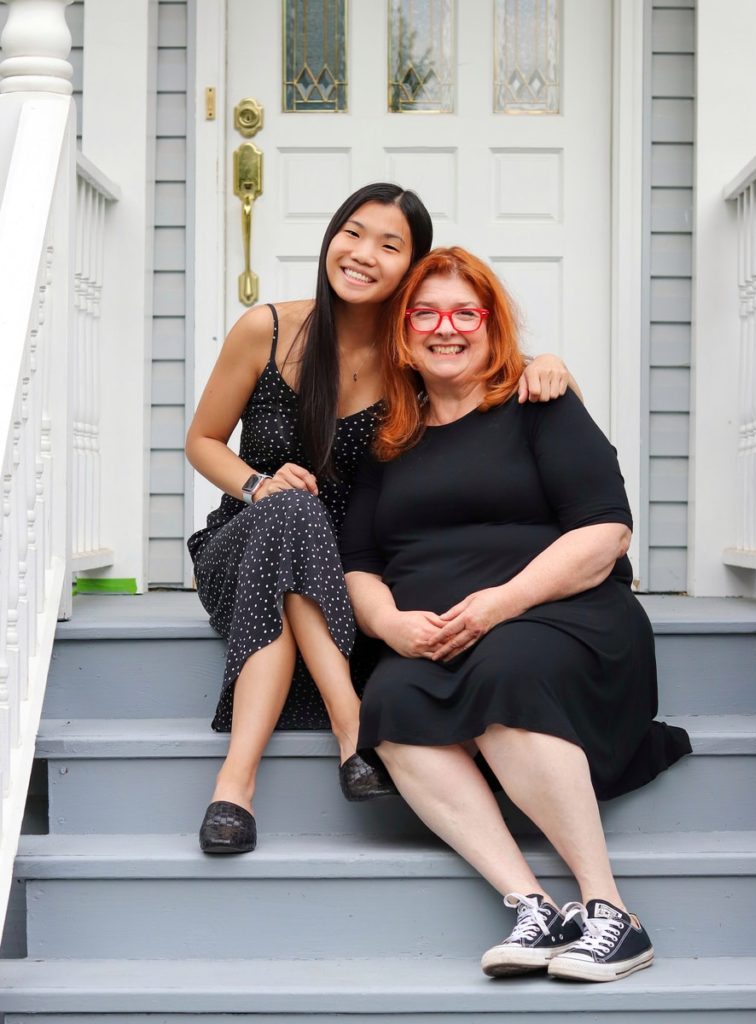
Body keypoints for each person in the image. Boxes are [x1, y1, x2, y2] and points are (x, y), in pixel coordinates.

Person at [185, 184, 578, 854]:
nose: (362, 254)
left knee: (302, 523)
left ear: (411, 267)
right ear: (331, 238)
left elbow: (486, 374)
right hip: (245, 547)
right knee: (290, 510)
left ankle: (233, 793)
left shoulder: (413, 359)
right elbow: (202, 441)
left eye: (389, 245)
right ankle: (337, 736)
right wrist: (257, 484)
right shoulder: (267, 329)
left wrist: (544, 364)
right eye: (352, 233)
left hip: (354, 580)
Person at [340, 247, 692, 983]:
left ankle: (610, 913)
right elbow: (361, 564)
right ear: (402, 329)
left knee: (503, 668)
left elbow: (605, 532)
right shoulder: (384, 436)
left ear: (491, 325)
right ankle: (535, 907)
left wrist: (504, 602)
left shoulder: (539, 404)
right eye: (425, 313)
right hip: (438, 639)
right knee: (392, 700)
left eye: (464, 312)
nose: (446, 329)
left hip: (564, 617)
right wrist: (387, 625)